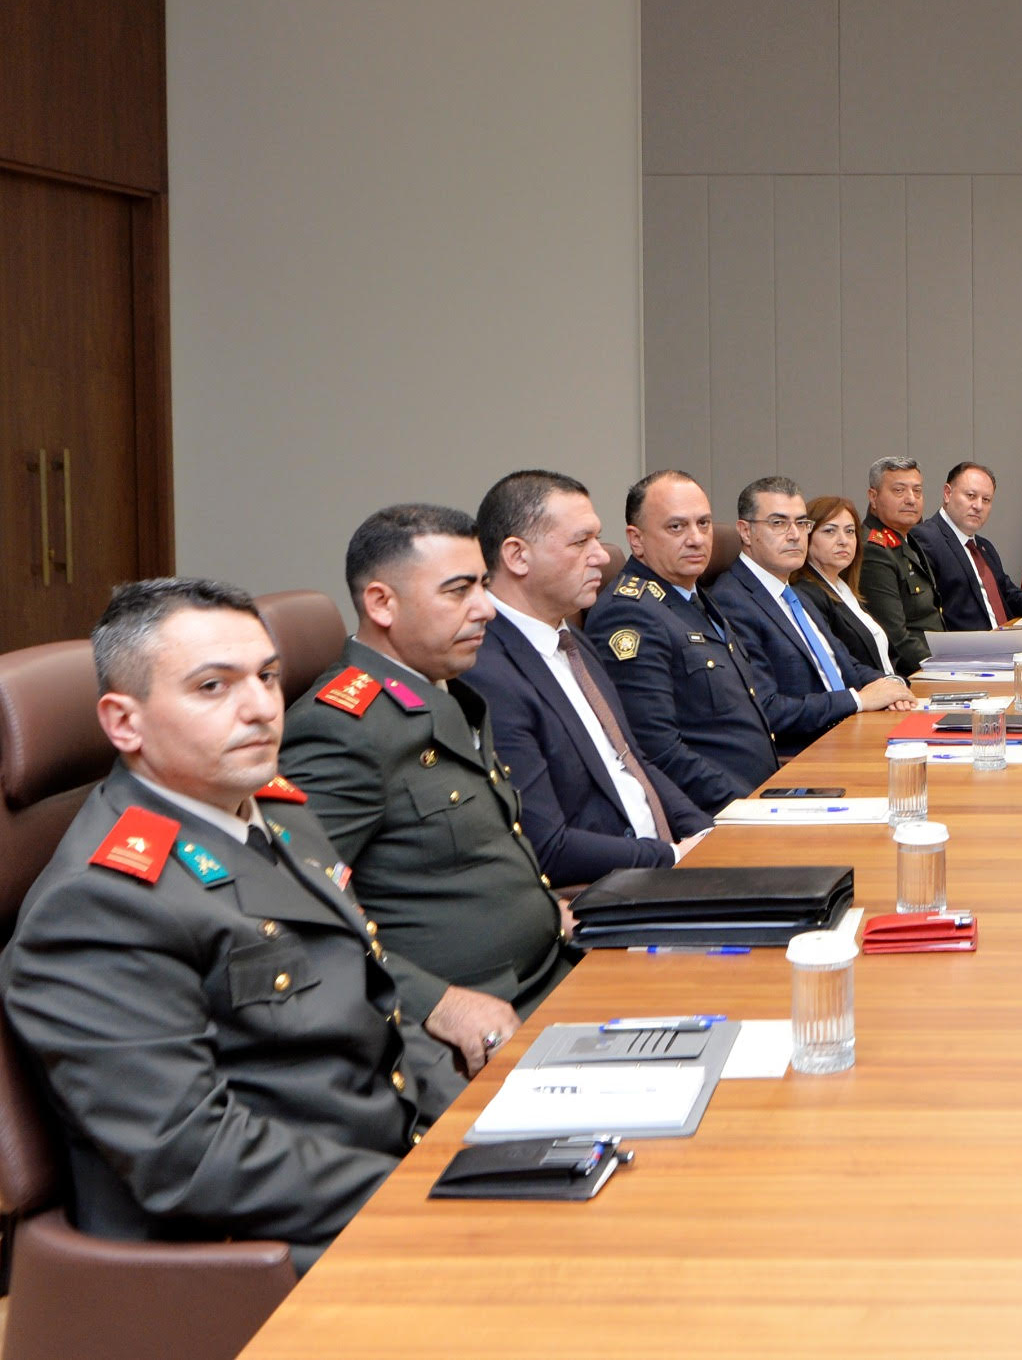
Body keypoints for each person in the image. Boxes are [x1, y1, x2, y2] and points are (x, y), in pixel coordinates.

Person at [2, 580, 423, 1271]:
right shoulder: (100, 904)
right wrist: (424, 1192)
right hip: (263, 1254)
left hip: (375, 1172)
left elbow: (378, 1002)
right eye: (212, 687)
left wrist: (475, 1132)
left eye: (267, 676)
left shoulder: (270, 806)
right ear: (123, 723)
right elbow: (191, 1156)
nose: (260, 708)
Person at [278, 504, 574, 1099]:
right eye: (458, 591)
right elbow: (294, 914)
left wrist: (544, 912)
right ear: (382, 604)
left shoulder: (445, 690)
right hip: (481, 1025)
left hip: (556, 968)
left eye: (483, 585)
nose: (486, 608)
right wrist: (435, 1001)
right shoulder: (341, 728)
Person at [464, 469, 713, 886]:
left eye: (596, 539)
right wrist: (670, 856)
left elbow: (634, 759)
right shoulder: (487, 672)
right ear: (517, 556)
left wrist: (706, 834)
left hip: (660, 864)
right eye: (581, 542)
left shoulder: (572, 641)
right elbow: (547, 846)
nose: (600, 556)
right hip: (607, 891)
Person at [585, 470, 781, 813]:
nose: (696, 539)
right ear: (636, 540)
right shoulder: (630, 614)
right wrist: (749, 808)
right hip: (716, 813)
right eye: (676, 527)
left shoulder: (692, 594)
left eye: (703, 523)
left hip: (761, 795)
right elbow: (658, 753)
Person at [708, 475, 911, 755]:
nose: (795, 535)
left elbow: (844, 664)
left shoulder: (794, 594)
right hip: (806, 754)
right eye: (778, 523)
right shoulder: (732, 601)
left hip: (849, 733)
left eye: (802, 523)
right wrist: (858, 700)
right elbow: (766, 708)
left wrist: (891, 685)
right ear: (745, 531)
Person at [907, 461, 1022, 631]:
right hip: (969, 646)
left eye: (986, 500)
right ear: (947, 493)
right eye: (971, 496)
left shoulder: (983, 547)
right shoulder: (925, 538)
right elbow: (924, 614)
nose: (978, 506)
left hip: (1007, 639)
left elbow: (1006, 592)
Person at [857, 455, 943, 677]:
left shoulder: (907, 537)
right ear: (873, 497)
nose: (911, 499)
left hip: (933, 663)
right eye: (899, 491)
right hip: (912, 674)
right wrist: (946, 669)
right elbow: (896, 639)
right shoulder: (874, 550)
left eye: (917, 491)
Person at [797, 493, 900, 677]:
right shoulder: (807, 594)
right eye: (830, 531)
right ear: (807, 537)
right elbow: (839, 664)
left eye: (850, 531)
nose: (843, 540)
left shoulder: (843, 588)